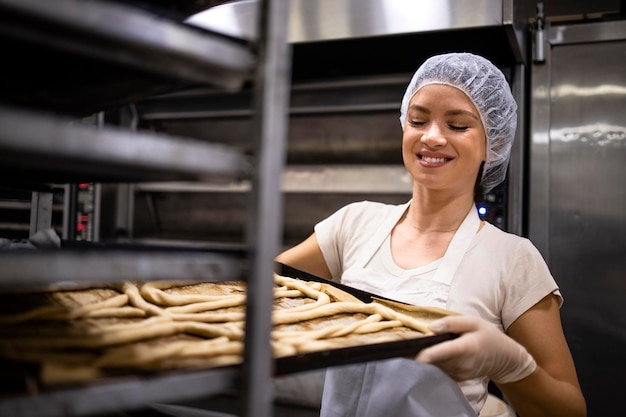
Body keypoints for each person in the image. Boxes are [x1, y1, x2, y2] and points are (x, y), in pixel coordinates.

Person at [275, 52, 586, 417]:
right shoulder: (355, 224)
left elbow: (570, 410)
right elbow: (256, 293)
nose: (433, 137)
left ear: (493, 144)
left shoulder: (512, 259)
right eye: (418, 120)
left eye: (458, 125)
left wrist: (511, 367)